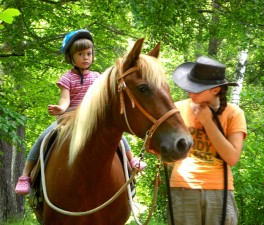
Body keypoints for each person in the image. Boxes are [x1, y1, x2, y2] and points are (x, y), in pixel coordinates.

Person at [15, 29, 146, 195]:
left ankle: (131, 159)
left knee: (119, 135)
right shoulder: (67, 78)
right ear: (71, 57)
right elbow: (65, 99)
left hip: (93, 117)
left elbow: (103, 98)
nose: (85, 57)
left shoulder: (97, 77)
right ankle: (25, 175)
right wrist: (61, 109)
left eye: (89, 54)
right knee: (44, 137)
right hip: (70, 117)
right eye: (80, 54)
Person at [168, 56, 247, 225]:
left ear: (215, 89)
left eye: (196, 88)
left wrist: (207, 122)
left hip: (219, 189)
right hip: (183, 186)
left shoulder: (234, 113)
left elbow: (232, 157)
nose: (189, 92)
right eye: (189, 86)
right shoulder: (177, 109)